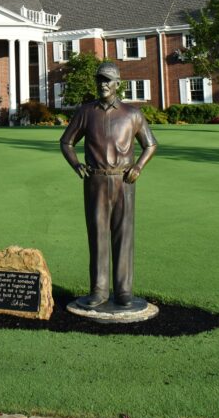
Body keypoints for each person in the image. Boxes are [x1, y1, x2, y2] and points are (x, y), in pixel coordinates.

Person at [59, 61, 157, 310]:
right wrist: (76, 164)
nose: (103, 84)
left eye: (108, 80)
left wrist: (138, 167)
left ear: (117, 84)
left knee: (123, 235)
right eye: (100, 80)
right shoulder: (86, 112)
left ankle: (124, 291)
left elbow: (150, 144)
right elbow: (66, 142)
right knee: (98, 235)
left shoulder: (132, 113)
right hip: (96, 181)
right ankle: (99, 290)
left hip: (124, 181)